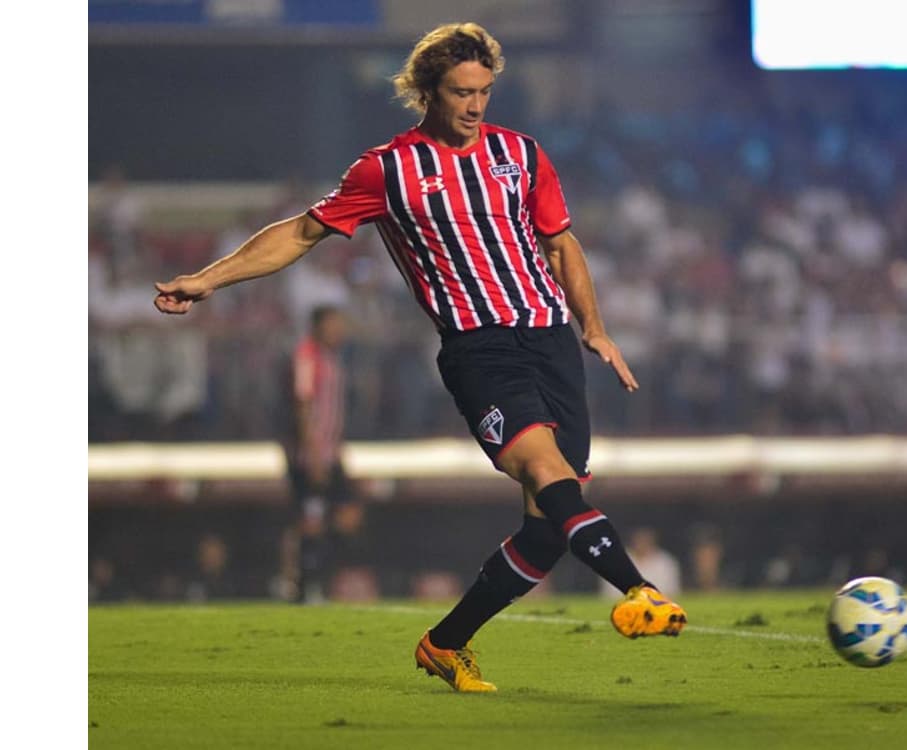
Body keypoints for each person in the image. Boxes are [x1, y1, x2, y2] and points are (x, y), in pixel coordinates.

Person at [153, 22, 686, 693]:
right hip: (479, 348)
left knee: (549, 530)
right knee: (547, 470)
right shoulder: (388, 168)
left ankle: (444, 644)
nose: (475, 105)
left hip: (550, 340)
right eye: (462, 92)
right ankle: (638, 589)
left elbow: (560, 243)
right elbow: (300, 232)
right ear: (428, 91)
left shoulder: (521, 154)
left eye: (485, 91)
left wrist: (594, 325)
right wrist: (208, 278)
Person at [283, 305, 357, 603]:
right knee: (310, 520)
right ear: (318, 326)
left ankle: (321, 579)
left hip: (330, 453)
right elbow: (303, 404)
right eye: (333, 323)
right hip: (310, 455)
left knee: (346, 515)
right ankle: (303, 585)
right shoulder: (306, 355)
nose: (339, 329)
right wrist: (312, 454)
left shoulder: (332, 358)